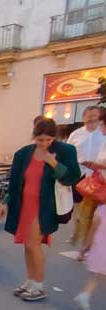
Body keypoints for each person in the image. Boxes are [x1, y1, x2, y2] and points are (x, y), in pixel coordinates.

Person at [0, 117, 81, 302]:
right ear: (34, 137)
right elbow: (15, 181)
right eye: (40, 139)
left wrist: (53, 162)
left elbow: (71, 178)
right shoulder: (23, 154)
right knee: (27, 245)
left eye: (48, 140)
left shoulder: (65, 151)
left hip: (45, 206)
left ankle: (39, 286)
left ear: (54, 138)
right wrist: (5, 201)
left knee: (33, 244)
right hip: (24, 205)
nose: (44, 143)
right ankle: (30, 281)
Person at [67, 106, 105, 255]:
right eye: (89, 115)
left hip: (97, 178)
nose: (92, 118)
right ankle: (78, 233)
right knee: (78, 210)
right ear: (84, 117)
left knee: (93, 212)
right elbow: (69, 153)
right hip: (79, 174)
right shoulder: (76, 134)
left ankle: (87, 242)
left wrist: (94, 165)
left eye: (95, 115)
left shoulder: (103, 134)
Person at [74, 201, 105, 310]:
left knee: (94, 277)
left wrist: (85, 247)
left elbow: (92, 230)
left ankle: (85, 295)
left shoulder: (101, 209)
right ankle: (84, 296)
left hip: (98, 249)